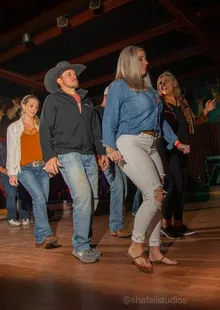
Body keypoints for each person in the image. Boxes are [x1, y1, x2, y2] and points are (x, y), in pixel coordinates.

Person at [102, 46, 189, 273]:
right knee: (155, 194)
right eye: (141, 59)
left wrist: (176, 142)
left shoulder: (150, 90)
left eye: (146, 58)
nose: (146, 62)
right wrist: (109, 146)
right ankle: (135, 246)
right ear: (129, 61)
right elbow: (109, 117)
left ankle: (155, 250)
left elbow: (160, 122)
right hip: (129, 142)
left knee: (160, 196)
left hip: (151, 144)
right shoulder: (119, 86)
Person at [40, 61, 109, 263]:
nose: (73, 75)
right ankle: (80, 246)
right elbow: (45, 129)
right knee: (83, 198)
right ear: (59, 81)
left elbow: (96, 131)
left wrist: (102, 152)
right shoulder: (53, 100)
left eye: (73, 73)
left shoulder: (87, 102)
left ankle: (84, 243)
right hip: (67, 154)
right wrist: (49, 156)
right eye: (68, 74)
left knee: (93, 200)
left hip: (89, 155)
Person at [156, 71, 216, 239]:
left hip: (184, 147)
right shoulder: (159, 105)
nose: (162, 84)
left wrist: (205, 111)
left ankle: (178, 224)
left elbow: (192, 123)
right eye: (160, 82)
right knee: (175, 184)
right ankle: (165, 224)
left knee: (181, 187)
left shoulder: (182, 103)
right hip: (168, 148)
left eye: (166, 81)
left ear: (174, 84)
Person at [6, 95, 59, 248]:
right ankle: (46, 234)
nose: (34, 109)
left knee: (42, 200)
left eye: (36, 106)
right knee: (39, 198)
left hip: (42, 167)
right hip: (25, 169)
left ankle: (39, 239)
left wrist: (51, 162)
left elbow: (49, 146)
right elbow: (11, 151)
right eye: (31, 105)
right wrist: (12, 173)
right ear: (23, 106)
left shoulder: (41, 125)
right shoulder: (14, 128)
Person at [96, 86, 131, 238]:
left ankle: (116, 221)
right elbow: (96, 135)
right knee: (117, 186)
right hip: (105, 156)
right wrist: (101, 154)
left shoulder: (115, 113)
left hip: (119, 154)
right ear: (107, 96)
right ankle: (116, 225)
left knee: (124, 189)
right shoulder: (96, 112)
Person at [0, 98, 31, 226]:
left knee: (22, 191)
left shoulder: (11, 126)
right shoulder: (4, 126)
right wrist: (3, 170)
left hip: (16, 164)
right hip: (4, 167)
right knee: (12, 193)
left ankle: (24, 215)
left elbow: (10, 114)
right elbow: (9, 114)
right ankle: (12, 217)